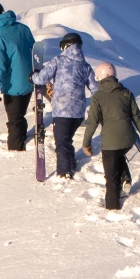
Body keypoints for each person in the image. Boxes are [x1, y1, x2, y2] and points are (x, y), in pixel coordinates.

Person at [86, 60, 140, 210]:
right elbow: (137, 117)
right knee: (119, 153)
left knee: (111, 179)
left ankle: (112, 207)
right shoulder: (126, 93)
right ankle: (126, 178)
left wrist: (86, 143)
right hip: (128, 140)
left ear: (99, 78)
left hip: (110, 143)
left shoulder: (98, 97)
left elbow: (92, 122)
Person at [36, 32, 95, 179]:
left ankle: (64, 172)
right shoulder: (85, 66)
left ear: (66, 46)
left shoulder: (58, 60)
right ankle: (71, 163)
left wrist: (33, 77)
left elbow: (42, 79)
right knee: (67, 139)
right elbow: (95, 89)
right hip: (78, 113)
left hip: (62, 110)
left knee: (61, 142)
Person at [0, 1, 37, 151]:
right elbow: (34, 52)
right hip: (31, 81)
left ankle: (15, 150)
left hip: (13, 87)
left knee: (14, 119)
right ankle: (23, 136)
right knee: (19, 115)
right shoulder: (23, 28)